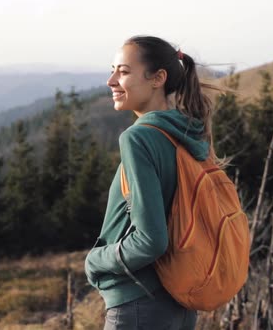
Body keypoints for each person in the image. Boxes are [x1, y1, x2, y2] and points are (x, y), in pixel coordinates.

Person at [84, 35, 218, 330]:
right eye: (112, 70)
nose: (111, 81)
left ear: (158, 78)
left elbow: (151, 240)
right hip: (177, 302)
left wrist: (95, 260)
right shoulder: (187, 133)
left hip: (138, 304)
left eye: (124, 71)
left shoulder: (138, 137)